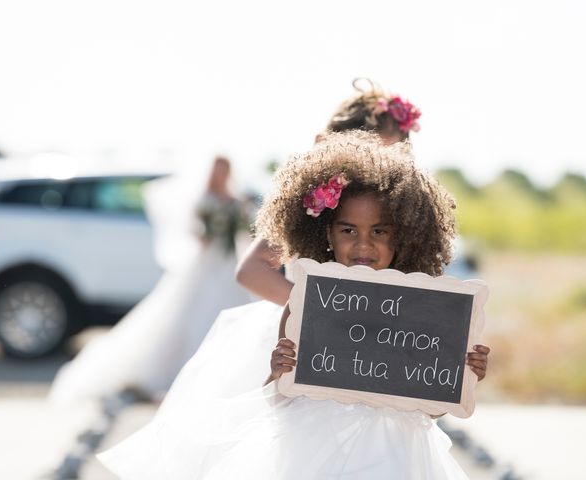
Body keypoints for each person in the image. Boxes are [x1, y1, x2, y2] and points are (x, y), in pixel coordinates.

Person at [98, 131, 490, 479]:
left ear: (403, 236)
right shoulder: (309, 301)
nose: (364, 245)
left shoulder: (417, 307)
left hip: (394, 454)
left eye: (380, 232)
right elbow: (278, 398)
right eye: (348, 230)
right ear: (326, 234)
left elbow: (429, 410)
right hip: (312, 450)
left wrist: (459, 373)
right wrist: (277, 371)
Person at [49, 156, 251, 403]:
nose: (222, 174)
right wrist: (205, 236)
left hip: (227, 265)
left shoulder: (237, 201)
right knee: (188, 316)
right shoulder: (203, 200)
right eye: (218, 169)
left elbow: (246, 232)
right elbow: (192, 230)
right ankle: (181, 372)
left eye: (226, 169)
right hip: (207, 263)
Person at [236, 77, 421, 305]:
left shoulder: (404, 214)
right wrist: (320, 310)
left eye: (391, 160)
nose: (377, 173)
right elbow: (250, 270)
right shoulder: (312, 207)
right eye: (368, 157)